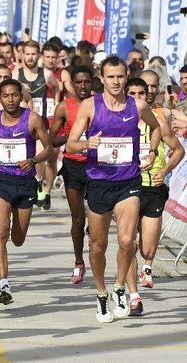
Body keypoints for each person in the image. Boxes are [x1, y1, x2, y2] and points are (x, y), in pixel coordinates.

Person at [66, 56, 161, 323]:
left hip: (128, 181)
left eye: (120, 76)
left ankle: (120, 287)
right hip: (98, 182)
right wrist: (87, 144)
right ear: (102, 77)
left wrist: (152, 153)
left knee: (127, 240)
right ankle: (100, 292)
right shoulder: (89, 106)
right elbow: (70, 145)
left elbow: (156, 128)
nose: (116, 82)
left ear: (126, 75)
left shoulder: (137, 105)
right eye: (111, 77)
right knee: (97, 245)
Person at [0, 78, 53, 305]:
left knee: (18, 239)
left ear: (21, 97)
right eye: (6, 96)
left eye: (14, 95)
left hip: (24, 183)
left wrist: (33, 160)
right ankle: (4, 285)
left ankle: (7, 252)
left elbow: (49, 148)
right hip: (0, 180)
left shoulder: (32, 119)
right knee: (0, 230)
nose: (10, 99)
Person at [124, 77, 183, 303]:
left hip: (153, 189)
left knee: (147, 248)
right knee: (127, 241)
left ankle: (146, 264)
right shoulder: (118, 121)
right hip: (127, 188)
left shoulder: (157, 122)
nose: (138, 98)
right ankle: (132, 293)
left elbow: (178, 150)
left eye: (141, 93)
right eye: (133, 94)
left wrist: (165, 169)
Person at [49, 65, 94, 284]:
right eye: (79, 82)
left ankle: (91, 231)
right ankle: (78, 262)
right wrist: (73, 139)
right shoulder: (64, 107)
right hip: (73, 165)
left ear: (93, 82)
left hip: (97, 166)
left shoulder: (100, 104)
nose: (83, 86)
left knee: (96, 217)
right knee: (77, 216)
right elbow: (51, 139)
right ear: (73, 84)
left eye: (87, 82)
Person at [14, 40, 59, 210]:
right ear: (22, 55)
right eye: (27, 54)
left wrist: (54, 103)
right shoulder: (16, 74)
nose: (30, 57)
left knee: (42, 155)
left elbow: (56, 87)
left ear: (38, 55)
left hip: (42, 122)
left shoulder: (46, 74)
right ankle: (34, 183)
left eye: (34, 54)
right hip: (23, 123)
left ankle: (41, 184)